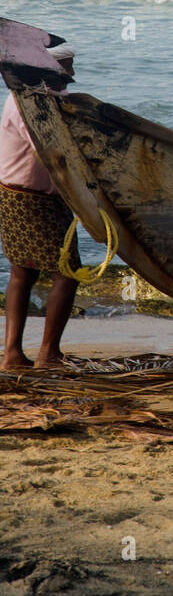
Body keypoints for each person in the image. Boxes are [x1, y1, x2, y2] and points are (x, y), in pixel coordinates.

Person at [0, 42, 80, 370]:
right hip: (32, 199)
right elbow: (50, 153)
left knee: (23, 271)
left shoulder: (34, 98)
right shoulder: (31, 105)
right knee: (67, 273)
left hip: (17, 191)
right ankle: (47, 354)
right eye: (67, 68)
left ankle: (12, 354)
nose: (72, 74)